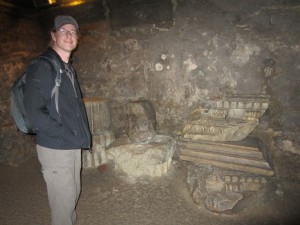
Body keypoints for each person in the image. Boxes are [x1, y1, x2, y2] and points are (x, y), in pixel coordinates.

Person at [24, 15, 91, 225]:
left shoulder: (67, 69)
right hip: (56, 147)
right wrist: (63, 133)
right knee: (62, 205)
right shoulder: (42, 66)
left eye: (73, 31)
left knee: (71, 196)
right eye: (63, 31)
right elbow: (34, 113)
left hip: (70, 144)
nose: (69, 35)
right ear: (53, 35)